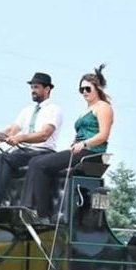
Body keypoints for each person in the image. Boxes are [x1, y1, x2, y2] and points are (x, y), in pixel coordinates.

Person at [19, 64, 114, 223]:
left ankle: (41, 213)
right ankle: (27, 206)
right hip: (79, 150)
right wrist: (74, 143)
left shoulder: (103, 107)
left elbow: (103, 135)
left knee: (40, 164)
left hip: (91, 153)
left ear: (97, 89)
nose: (84, 92)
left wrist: (83, 144)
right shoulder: (87, 109)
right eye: (81, 89)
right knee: (35, 161)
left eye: (87, 89)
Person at [0, 71, 62, 207]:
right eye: (32, 87)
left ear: (47, 89)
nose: (33, 91)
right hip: (24, 151)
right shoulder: (27, 110)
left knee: (4, 158)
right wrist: (1, 134)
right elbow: (14, 129)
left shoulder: (53, 110)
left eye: (36, 87)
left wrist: (20, 138)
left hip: (42, 151)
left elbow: (44, 134)